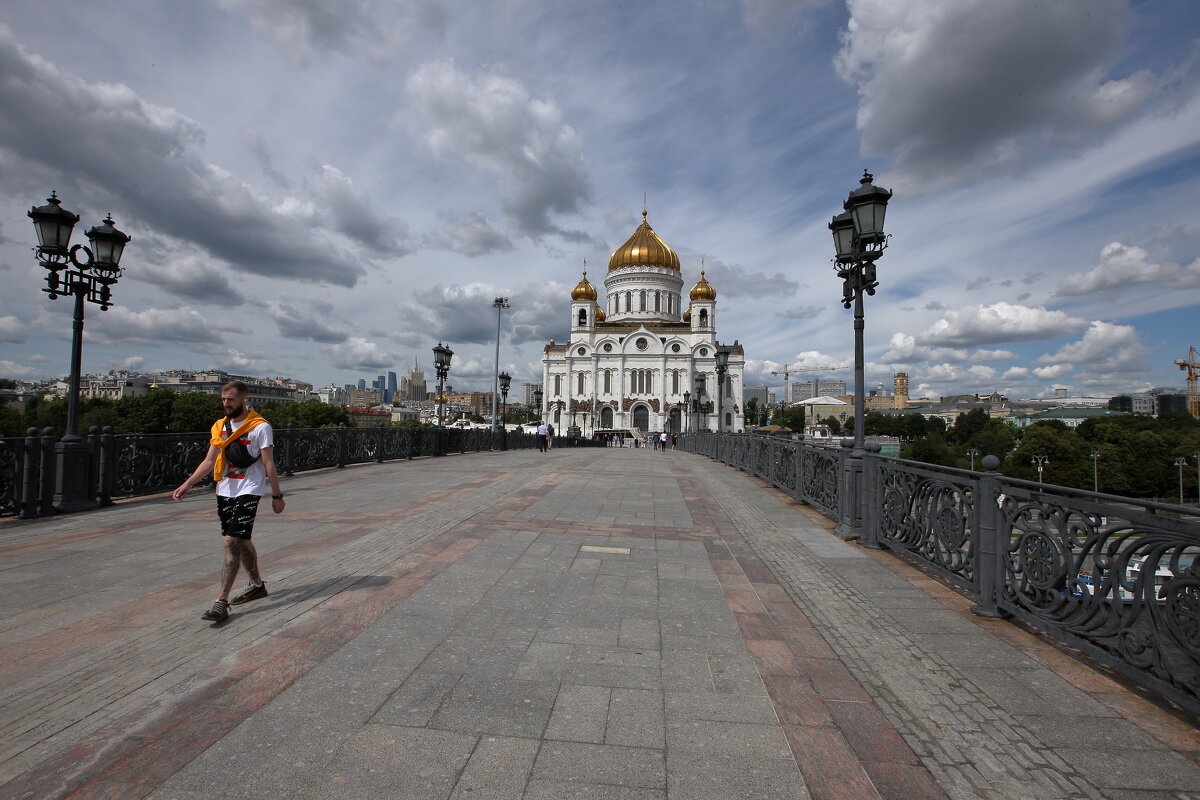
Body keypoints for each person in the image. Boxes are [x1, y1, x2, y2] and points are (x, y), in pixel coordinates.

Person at [173, 381, 284, 623]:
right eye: (223, 399)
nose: (226, 403)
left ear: (244, 400)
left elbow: (268, 464)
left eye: (230, 399)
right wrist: (188, 484)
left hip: (250, 489)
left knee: (231, 542)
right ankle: (256, 585)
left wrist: (276, 496)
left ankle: (221, 601)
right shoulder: (219, 427)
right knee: (242, 540)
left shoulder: (260, 427)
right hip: (225, 489)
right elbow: (209, 460)